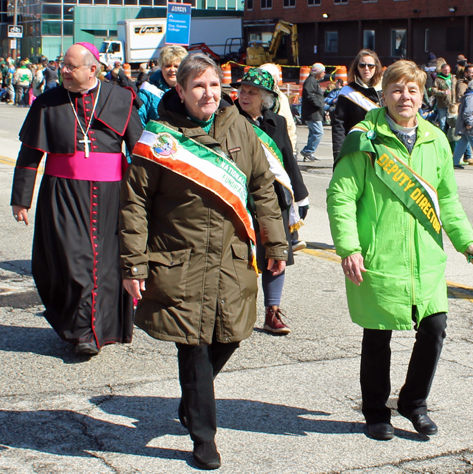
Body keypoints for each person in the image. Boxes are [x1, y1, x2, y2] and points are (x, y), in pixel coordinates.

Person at [119, 53, 288, 470]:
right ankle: (204, 437)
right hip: (180, 259)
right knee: (193, 346)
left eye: (213, 85)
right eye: (198, 86)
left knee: (231, 334)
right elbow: (135, 205)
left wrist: (276, 244)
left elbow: (263, 189)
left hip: (231, 258)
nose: (207, 93)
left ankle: (194, 399)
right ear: (180, 90)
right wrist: (133, 264)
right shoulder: (158, 138)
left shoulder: (241, 129)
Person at [327, 60, 473, 441]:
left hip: (426, 257)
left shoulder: (436, 139)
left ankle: (414, 403)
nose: (405, 97)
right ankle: (375, 411)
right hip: (379, 254)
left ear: (422, 95)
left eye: (412, 90)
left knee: (434, 328)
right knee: (378, 334)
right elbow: (341, 196)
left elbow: (446, 198)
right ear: (383, 94)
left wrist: (465, 240)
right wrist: (349, 246)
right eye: (397, 89)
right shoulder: (364, 139)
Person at [10, 42, 143, 357]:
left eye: (70, 67)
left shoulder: (120, 99)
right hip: (62, 193)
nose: (63, 72)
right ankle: (83, 328)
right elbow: (30, 155)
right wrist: (21, 198)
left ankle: (95, 331)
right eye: (62, 65)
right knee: (74, 261)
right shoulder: (48, 102)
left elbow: (139, 150)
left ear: (92, 69)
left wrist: (147, 196)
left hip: (111, 195)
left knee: (107, 264)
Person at [231, 68, 309, 335]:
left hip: (275, 198)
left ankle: (272, 312)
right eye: (242, 90)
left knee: (277, 254)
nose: (245, 96)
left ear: (265, 97)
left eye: (252, 92)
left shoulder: (275, 121)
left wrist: (301, 196)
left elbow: (288, 159)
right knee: (242, 256)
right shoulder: (228, 119)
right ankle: (237, 311)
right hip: (241, 196)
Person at [331, 49, 383, 161]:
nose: (366, 69)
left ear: (376, 67)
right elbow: (339, 124)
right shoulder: (348, 92)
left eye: (370, 66)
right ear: (357, 67)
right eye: (362, 65)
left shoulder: (385, 90)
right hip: (356, 147)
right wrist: (338, 152)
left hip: (382, 149)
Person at [137, 45, 188, 127]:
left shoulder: (190, 90)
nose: (172, 69)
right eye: (168, 66)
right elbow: (137, 123)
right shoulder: (147, 91)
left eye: (176, 66)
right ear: (161, 67)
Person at [260, 62, 298, 157]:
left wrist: (292, 151)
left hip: (277, 150)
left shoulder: (280, 99)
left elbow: (289, 126)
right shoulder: (253, 97)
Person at [300, 62, 326, 161]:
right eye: (323, 71)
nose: (324, 73)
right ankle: (308, 150)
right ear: (318, 72)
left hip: (315, 113)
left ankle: (309, 152)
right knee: (318, 132)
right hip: (312, 113)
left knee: (313, 133)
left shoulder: (314, 81)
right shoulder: (310, 81)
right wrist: (318, 104)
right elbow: (309, 95)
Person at [430, 63, 456, 131]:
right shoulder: (438, 79)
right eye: (445, 70)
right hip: (442, 104)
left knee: (452, 122)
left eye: (448, 70)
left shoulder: (453, 78)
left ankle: (450, 138)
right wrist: (442, 93)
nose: (447, 71)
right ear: (441, 70)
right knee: (443, 123)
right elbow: (433, 90)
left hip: (452, 104)